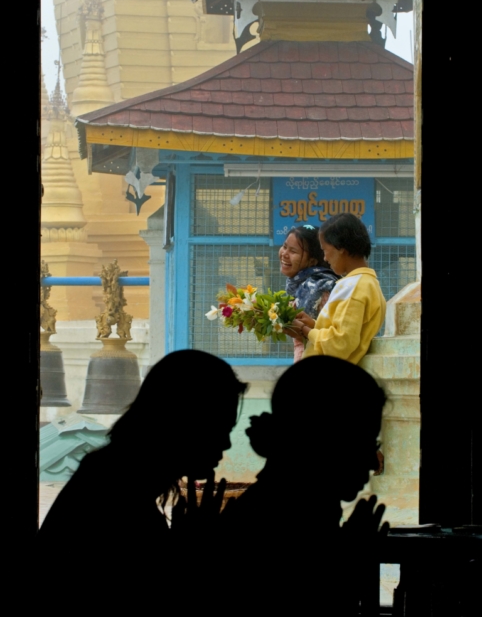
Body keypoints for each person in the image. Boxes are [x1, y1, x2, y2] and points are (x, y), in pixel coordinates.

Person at [38, 350, 247, 595]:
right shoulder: (116, 494)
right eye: (218, 429)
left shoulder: (109, 474)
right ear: (183, 423)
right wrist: (192, 552)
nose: (226, 444)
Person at [221, 356, 388, 612]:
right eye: (361, 442)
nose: (371, 461)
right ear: (319, 442)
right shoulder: (284, 525)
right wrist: (350, 565)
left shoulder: (283, 508)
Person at [288, 213, 386, 364]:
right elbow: (343, 332)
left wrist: (303, 330)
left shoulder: (354, 288)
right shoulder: (367, 284)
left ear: (340, 248)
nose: (325, 258)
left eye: (325, 250)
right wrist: (313, 324)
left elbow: (340, 344)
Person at [279, 224, 338, 361]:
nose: (284, 254)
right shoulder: (298, 287)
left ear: (312, 261)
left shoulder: (322, 289)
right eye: (285, 246)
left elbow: (332, 337)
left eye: (293, 251)